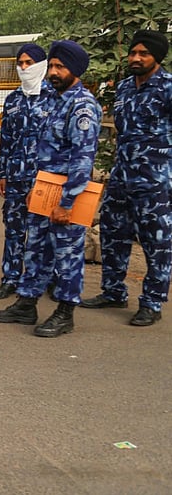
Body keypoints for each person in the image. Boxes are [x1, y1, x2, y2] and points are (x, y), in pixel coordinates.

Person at [0, 40, 101, 338]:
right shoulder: (57, 100)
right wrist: (36, 188)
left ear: (74, 70)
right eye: (51, 66)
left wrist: (67, 202)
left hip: (67, 194)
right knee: (36, 249)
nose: (53, 71)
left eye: (59, 67)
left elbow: (82, 159)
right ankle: (26, 304)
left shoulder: (82, 106)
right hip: (44, 188)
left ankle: (65, 313)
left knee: (67, 254)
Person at [80, 30, 172, 327]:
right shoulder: (123, 88)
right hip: (122, 175)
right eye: (133, 53)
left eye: (143, 53)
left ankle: (152, 302)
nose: (135, 58)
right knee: (112, 233)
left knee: (156, 242)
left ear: (157, 57)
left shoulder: (168, 88)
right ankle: (113, 291)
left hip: (155, 180)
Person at [0, 44, 55, 300]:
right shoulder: (13, 100)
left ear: (42, 64)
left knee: (45, 232)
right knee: (14, 230)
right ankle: (11, 278)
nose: (24, 67)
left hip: (45, 177)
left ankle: (48, 279)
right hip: (16, 177)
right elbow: (5, 140)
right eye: (21, 63)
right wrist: (2, 174)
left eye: (29, 62)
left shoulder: (54, 96)